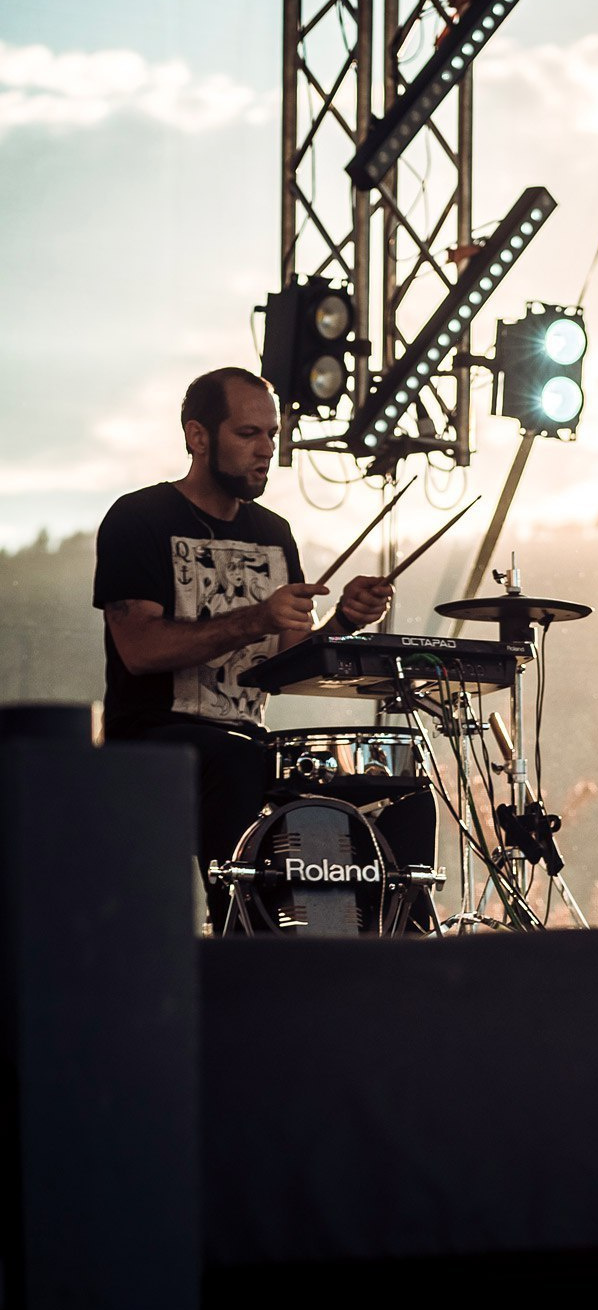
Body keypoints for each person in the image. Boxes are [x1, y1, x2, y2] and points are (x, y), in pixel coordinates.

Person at [93, 367, 393, 911]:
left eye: (272, 434)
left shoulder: (274, 533)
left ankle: (356, 935)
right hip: (153, 740)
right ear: (198, 437)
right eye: (248, 433)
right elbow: (141, 650)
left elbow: (286, 664)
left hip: (248, 741)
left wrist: (343, 623)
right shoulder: (138, 518)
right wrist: (257, 618)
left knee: (381, 785)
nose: (267, 449)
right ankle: (239, 932)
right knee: (238, 760)